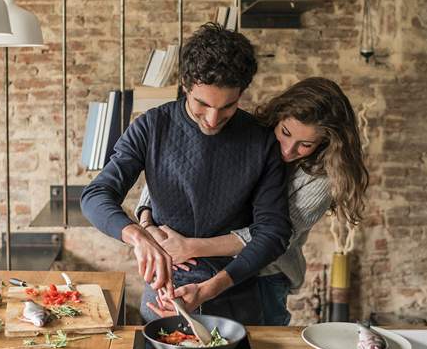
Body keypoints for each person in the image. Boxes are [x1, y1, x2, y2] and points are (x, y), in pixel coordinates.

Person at [80, 23, 292, 325]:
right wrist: (139, 237)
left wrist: (209, 289)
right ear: (185, 84)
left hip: (235, 288)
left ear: (242, 92)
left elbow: (273, 232)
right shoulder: (152, 127)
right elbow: (95, 195)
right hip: (166, 291)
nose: (213, 119)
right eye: (202, 104)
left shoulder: (261, 140)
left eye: (228, 106)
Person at [137, 77, 369, 325]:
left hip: (265, 276)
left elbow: (270, 237)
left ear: (325, 144)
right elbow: (172, 174)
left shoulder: (321, 181)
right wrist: (146, 223)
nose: (288, 149)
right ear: (277, 118)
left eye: (306, 145)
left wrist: (190, 247)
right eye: (285, 133)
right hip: (203, 264)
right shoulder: (249, 136)